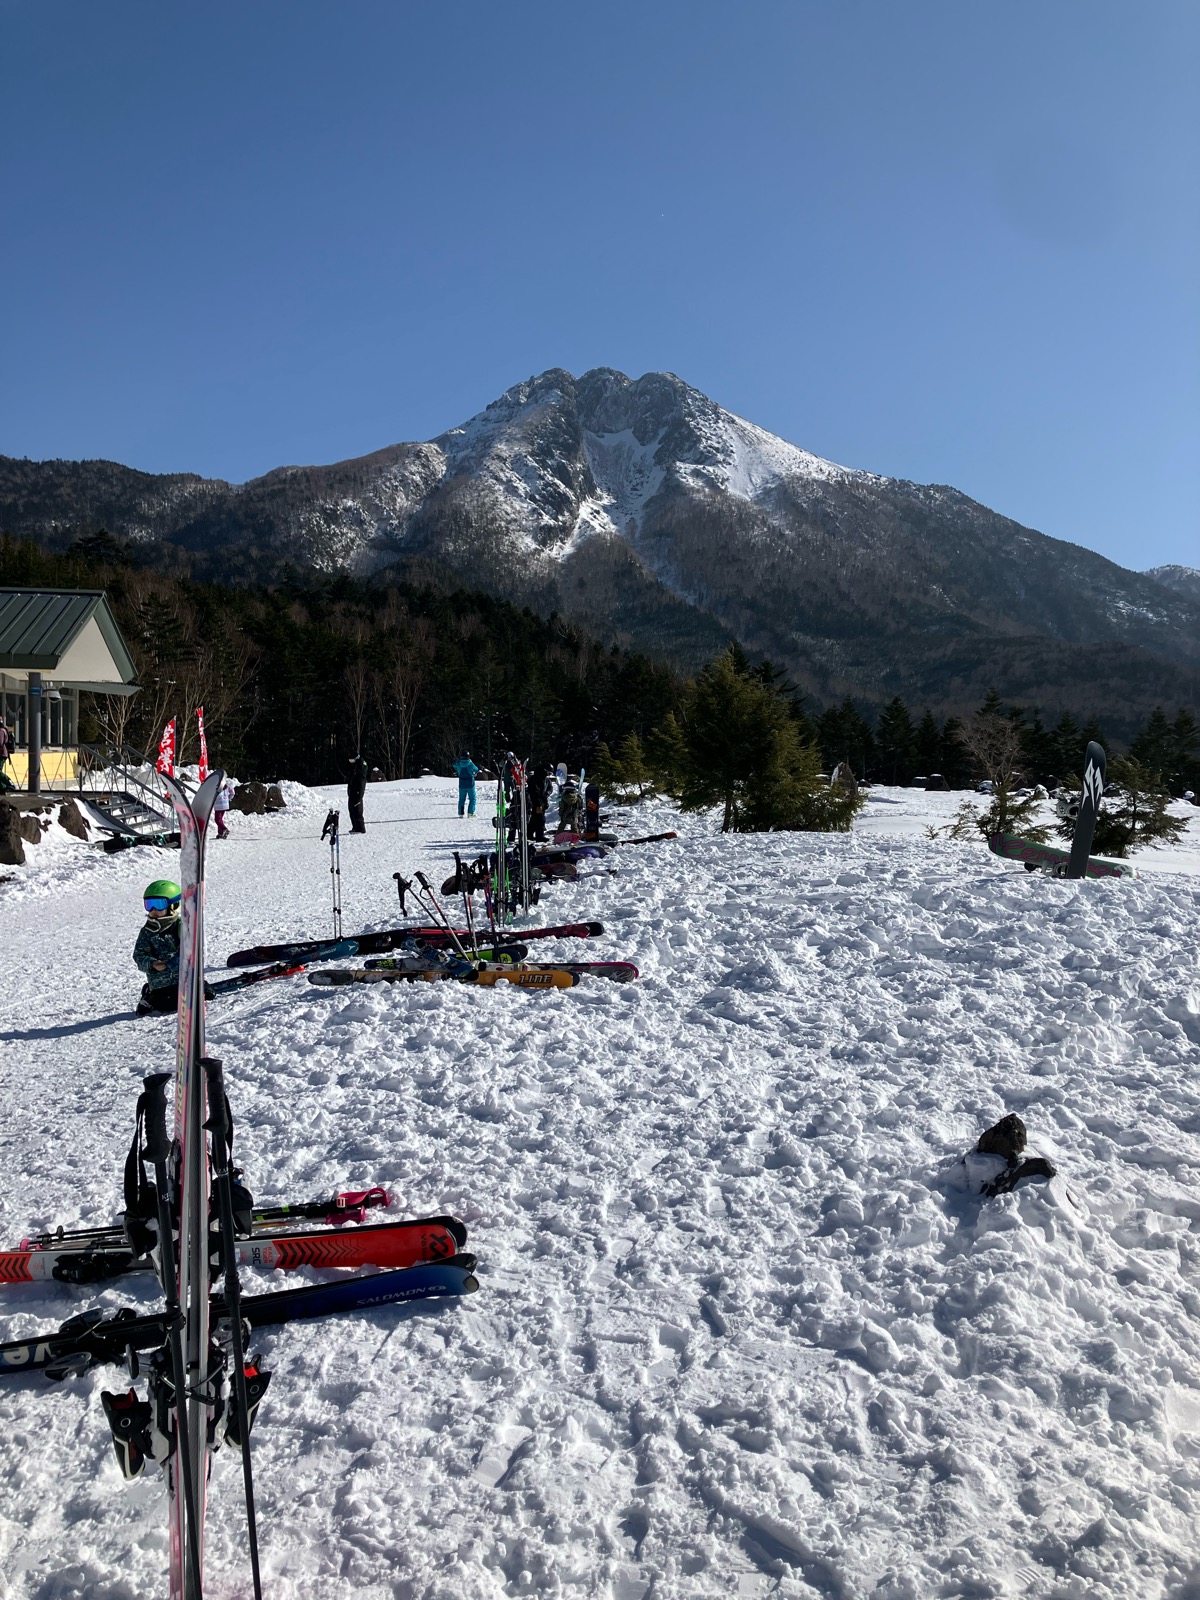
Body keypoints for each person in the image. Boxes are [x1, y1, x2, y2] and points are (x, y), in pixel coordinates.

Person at [134, 879, 183, 1015]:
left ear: (173, 905)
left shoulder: (181, 926)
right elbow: (139, 955)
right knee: (167, 1005)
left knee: (207, 993)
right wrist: (152, 964)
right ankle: (148, 996)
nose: (153, 910)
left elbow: (189, 951)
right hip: (161, 985)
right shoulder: (147, 932)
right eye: (149, 905)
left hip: (184, 980)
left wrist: (173, 963)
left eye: (159, 904)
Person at [528, 761, 551, 841]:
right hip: (536, 801)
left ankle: (529, 833)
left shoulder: (546, 779)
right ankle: (539, 836)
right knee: (540, 819)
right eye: (548, 772)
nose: (549, 774)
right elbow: (535, 791)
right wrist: (538, 802)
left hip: (542, 801)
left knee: (535, 818)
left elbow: (549, 788)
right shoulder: (536, 778)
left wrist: (547, 794)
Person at [453, 752, 480, 818]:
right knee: (472, 799)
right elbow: (476, 769)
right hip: (470, 784)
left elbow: (454, 765)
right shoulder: (470, 764)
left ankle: (461, 813)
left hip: (462, 784)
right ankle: (470, 813)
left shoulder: (459, 764)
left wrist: (459, 761)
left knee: (461, 799)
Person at [347, 754, 369, 833]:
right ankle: (355, 827)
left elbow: (361, 781)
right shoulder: (355, 766)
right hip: (352, 791)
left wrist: (359, 793)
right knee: (351, 810)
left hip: (357, 792)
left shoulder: (361, 766)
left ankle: (360, 829)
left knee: (357, 811)